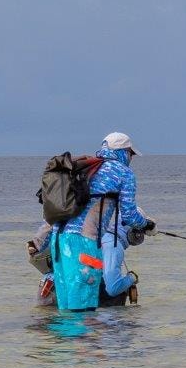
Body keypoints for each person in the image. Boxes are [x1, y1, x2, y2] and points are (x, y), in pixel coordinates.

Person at [50, 131, 155, 312]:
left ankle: (64, 340)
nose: (131, 158)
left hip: (58, 240)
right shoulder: (124, 173)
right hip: (84, 242)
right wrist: (147, 224)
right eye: (131, 154)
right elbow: (129, 215)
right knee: (84, 309)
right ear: (124, 151)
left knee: (66, 309)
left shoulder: (87, 167)